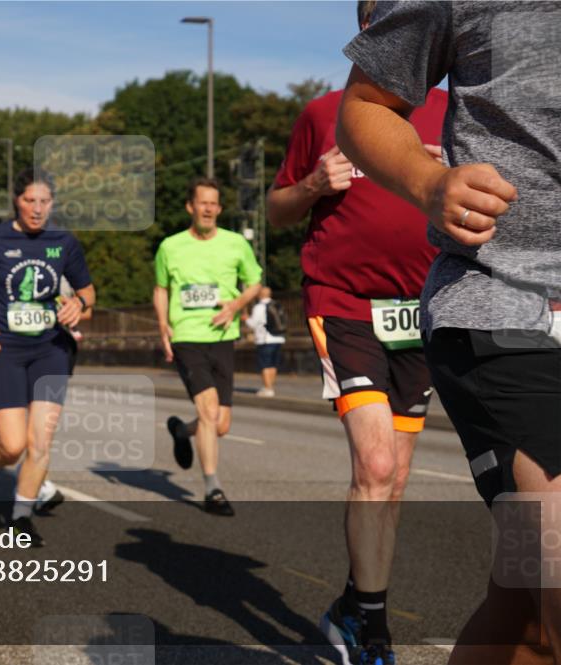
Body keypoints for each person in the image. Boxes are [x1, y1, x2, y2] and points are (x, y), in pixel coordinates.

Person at [336, 2, 560, 662]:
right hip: (505, 307)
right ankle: (366, 609)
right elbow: (365, 106)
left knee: (524, 609)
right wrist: (430, 182)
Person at [265, 3, 449, 661]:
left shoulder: (454, 111)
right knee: (372, 462)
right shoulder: (324, 114)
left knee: (392, 478)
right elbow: (277, 208)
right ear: (364, 27)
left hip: (420, 309)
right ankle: (373, 630)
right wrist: (314, 182)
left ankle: (352, 603)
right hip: (343, 304)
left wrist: (443, 173)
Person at [0, 168, 95, 546]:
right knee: (13, 445)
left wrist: (78, 304)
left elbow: (88, 291)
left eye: (44, 202)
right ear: (16, 201)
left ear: (53, 204)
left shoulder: (64, 242)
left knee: (40, 442)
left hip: (52, 350)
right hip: (4, 351)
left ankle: (21, 517)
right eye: (29, 201)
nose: (37, 209)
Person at [155, 176, 262, 517]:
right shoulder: (170, 246)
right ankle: (213, 489)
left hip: (222, 338)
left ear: (219, 208)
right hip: (187, 336)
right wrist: (163, 326)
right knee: (209, 409)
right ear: (191, 206)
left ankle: (181, 431)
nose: (209, 209)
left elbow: (255, 282)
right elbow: (161, 288)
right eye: (203, 202)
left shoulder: (235, 244)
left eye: (214, 203)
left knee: (220, 424)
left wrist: (234, 305)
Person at [245, 286, 286, 397]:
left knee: (265, 364)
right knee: (273, 364)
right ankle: (270, 386)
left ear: (259, 295)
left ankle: (268, 389)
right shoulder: (277, 305)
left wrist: (245, 319)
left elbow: (252, 324)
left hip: (265, 339)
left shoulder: (259, 307)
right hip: (278, 338)